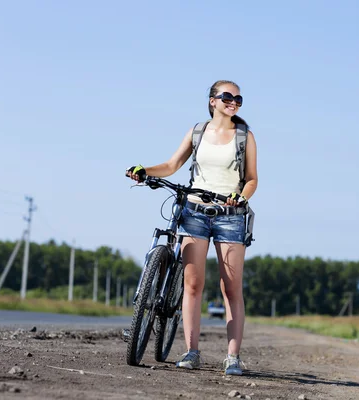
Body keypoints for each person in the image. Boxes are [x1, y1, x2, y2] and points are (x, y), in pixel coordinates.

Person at [126, 80, 258, 376]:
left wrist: (242, 196)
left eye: (238, 98)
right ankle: (191, 351)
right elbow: (172, 165)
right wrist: (144, 170)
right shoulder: (197, 132)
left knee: (230, 288)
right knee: (193, 285)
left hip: (230, 215)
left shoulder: (245, 136)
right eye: (227, 96)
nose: (233, 102)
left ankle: (232, 357)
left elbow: (251, 178)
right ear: (212, 101)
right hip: (194, 212)